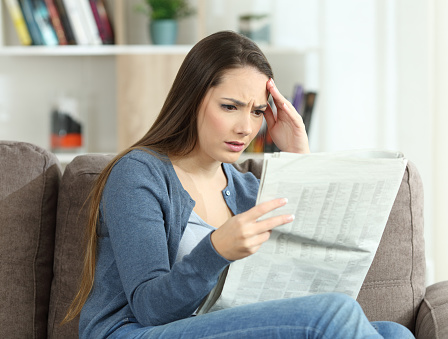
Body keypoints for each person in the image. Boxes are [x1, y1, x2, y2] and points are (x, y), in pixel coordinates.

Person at [63, 30, 414, 339]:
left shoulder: (248, 190)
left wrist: (299, 156)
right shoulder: (139, 173)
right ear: (192, 100)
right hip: (135, 331)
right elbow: (150, 309)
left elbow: (303, 275)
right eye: (230, 107)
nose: (246, 128)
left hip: (217, 325)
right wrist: (216, 250)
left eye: (258, 111)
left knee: (393, 333)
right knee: (334, 315)